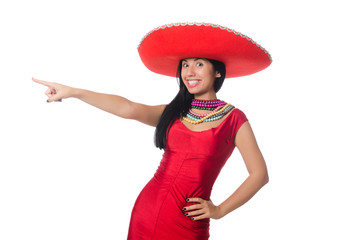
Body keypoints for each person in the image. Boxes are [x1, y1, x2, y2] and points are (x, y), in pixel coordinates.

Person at [33, 23, 271, 240]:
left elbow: (259, 174)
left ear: (218, 72)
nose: (189, 72)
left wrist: (219, 210)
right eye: (185, 65)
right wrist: (73, 92)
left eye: (199, 64)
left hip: (189, 223)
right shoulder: (174, 112)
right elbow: (128, 108)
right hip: (147, 210)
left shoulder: (233, 119)